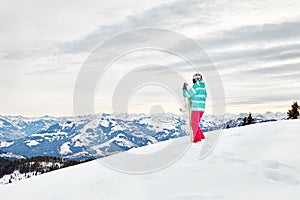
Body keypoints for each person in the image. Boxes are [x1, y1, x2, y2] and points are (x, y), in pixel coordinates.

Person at [182, 73, 207, 143]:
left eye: (194, 79)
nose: (193, 80)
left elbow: (186, 95)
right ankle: (202, 136)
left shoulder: (195, 87)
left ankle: (197, 139)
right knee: (196, 123)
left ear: (196, 79)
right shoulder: (203, 88)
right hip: (202, 109)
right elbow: (204, 97)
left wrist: (184, 89)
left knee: (194, 124)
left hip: (196, 108)